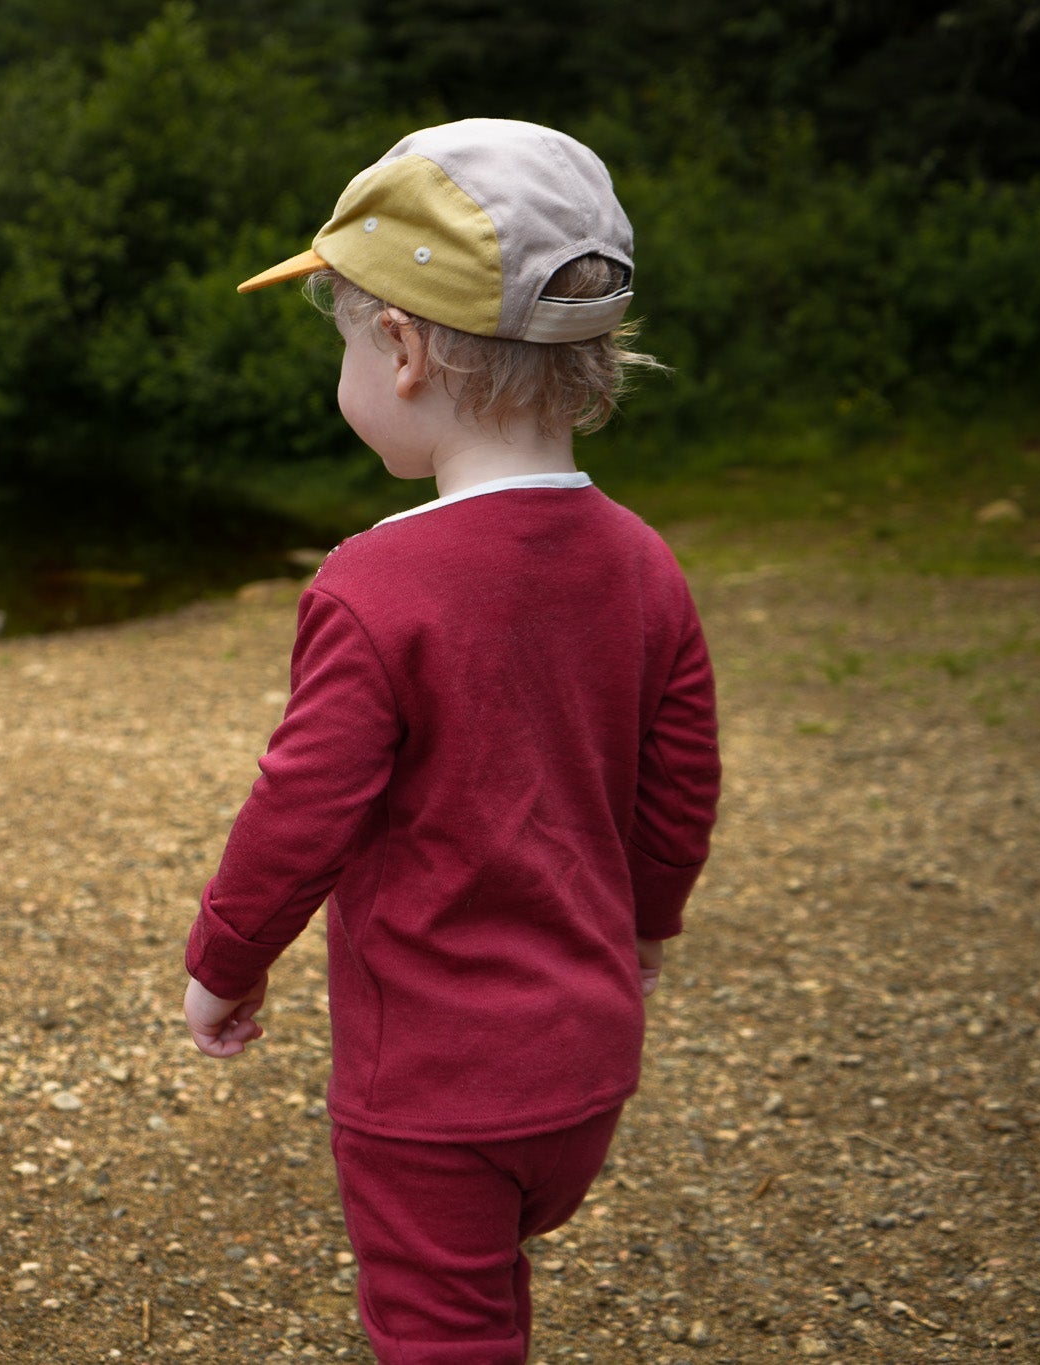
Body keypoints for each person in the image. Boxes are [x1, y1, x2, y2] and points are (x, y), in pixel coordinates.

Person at [180, 119, 722, 1364]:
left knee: (440, 1330)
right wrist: (643, 928)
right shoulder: (642, 563)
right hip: (585, 1065)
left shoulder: (377, 586)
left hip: (431, 1090)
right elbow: (676, 782)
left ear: (403, 350)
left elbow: (298, 810)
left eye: (340, 344)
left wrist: (225, 962)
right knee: (483, 1296)